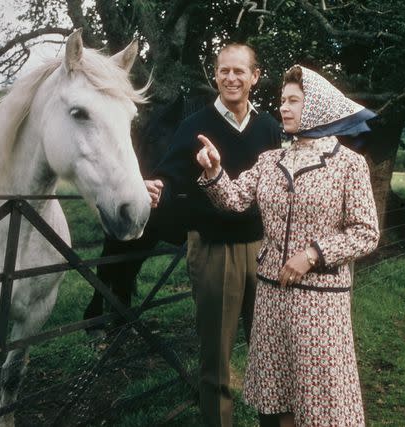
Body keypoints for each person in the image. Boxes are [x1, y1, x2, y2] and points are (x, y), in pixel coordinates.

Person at [195, 65, 380, 427]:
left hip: (320, 304)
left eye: (294, 101)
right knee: (275, 399)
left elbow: (366, 232)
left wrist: (313, 255)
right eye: (282, 100)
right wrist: (214, 171)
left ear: (318, 107)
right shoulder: (270, 160)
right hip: (270, 297)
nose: (284, 108)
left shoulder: (348, 164)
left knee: (321, 400)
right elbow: (233, 200)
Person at [145, 44, 282, 426]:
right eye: (224, 71)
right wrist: (156, 186)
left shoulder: (270, 127)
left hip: (262, 249)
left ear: (255, 77)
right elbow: (169, 175)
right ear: (216, 75)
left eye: (240, 71)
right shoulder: (194, 126)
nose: (231, 78)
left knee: (268, 352)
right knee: (215, 357)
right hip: (213, 250)